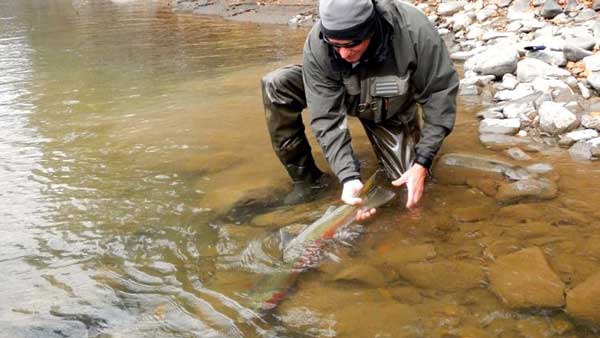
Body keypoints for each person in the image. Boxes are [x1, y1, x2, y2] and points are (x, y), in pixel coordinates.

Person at [261, 0, 458, 219]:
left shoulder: (415, 30)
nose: (344, 54)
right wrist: (348, 177)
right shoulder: (318, 42)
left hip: (389, 109)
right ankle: (308, 183)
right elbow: (326, 119)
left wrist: (423, 161)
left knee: (407, 187)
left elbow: (439, 95)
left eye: (352, 45)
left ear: (371, 30)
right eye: (336, 45)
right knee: (277, 84)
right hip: (343, 92)